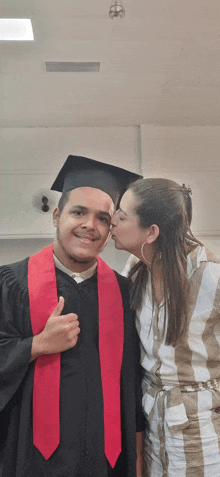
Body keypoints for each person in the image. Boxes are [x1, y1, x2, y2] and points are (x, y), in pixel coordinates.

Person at [0, 155, 145, 477]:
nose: (90, 225)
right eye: (78, 212)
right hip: (29, 456)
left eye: (103, 218)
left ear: (111, 229)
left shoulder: (127, 293)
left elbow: (135, 380)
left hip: (106, 458)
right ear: (56, 215)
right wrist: (34, 346)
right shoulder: (10, 283)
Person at [111, 177, 220, 477]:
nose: (112, 222)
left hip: (202, 431)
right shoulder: (134, 271)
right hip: (152, 424)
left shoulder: (211, 276)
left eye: (122, 215)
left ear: (151, 232)